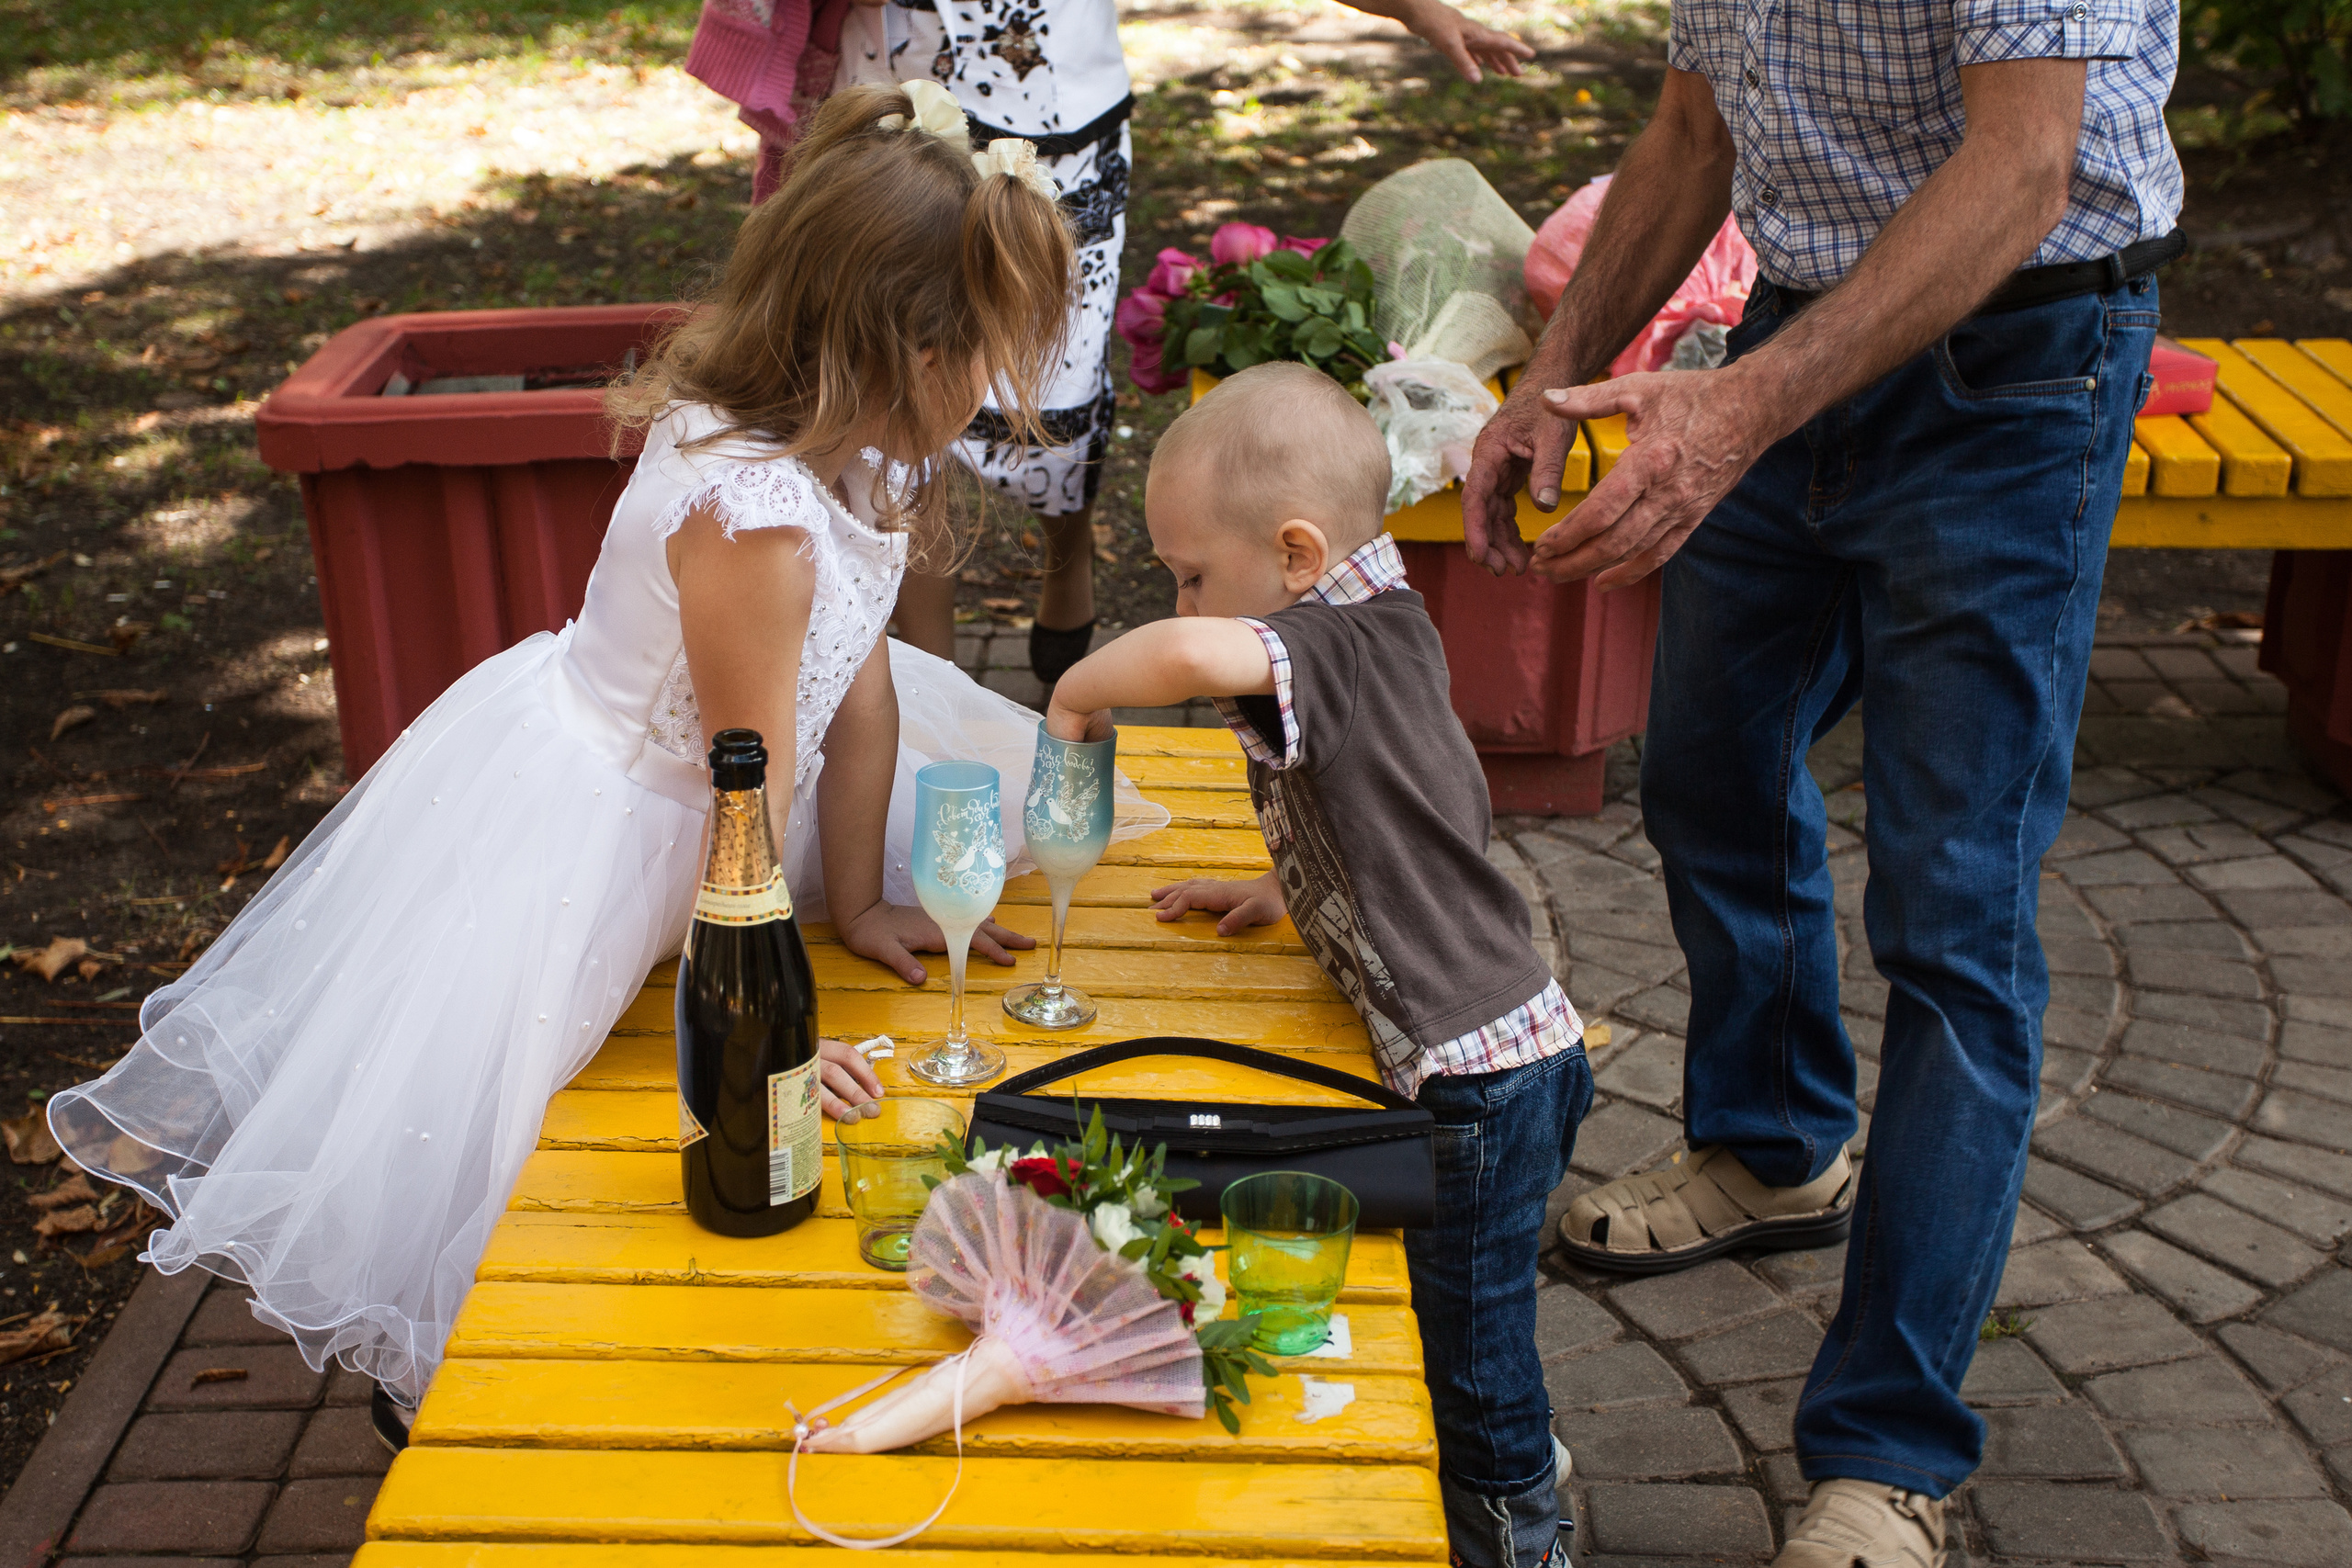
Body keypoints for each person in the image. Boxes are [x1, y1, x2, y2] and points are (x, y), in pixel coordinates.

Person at [46, 84, 1167, 1455]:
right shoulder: (754, 520)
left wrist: (869, 897)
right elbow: (742, 797)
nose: (996, 391)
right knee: (501, 1124)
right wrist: (779, 1033)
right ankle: (455, 1394)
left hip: (724, 781)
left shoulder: (857, 450)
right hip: (612, 819)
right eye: (980, 354)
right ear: (891, 347)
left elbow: (862, 687)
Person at [1459, 5, 2181, 1562]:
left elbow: (2022, 167)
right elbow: (1690, 135)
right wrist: (1554, 372)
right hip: (1799, 335)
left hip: (2022, 362)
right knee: (1710, 770)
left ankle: (1888, 1453)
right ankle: (1776, 1142)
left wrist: (1735, 411)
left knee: (1956, 917)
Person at [1046, 363, 1591, 1568]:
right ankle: (1523, 1451)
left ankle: (1517, 1525)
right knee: (1482, 1301)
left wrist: (1081, 688)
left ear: (1297, 551)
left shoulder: (1326, 640)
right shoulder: (1382, 620)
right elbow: (1411, 813)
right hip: (1517, 1043)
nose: (1181, 596)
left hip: (1475, 1082)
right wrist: (1294, 887)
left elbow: (1189, 659)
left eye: (1190, 573)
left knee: (1466, 1334)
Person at [796, 0, 1537, 687]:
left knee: (1058, 389)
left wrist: (1417, 9)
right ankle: (931, 676)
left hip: (1057, 125)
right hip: (904, 116)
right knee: (906, 392)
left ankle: (1067, 556)